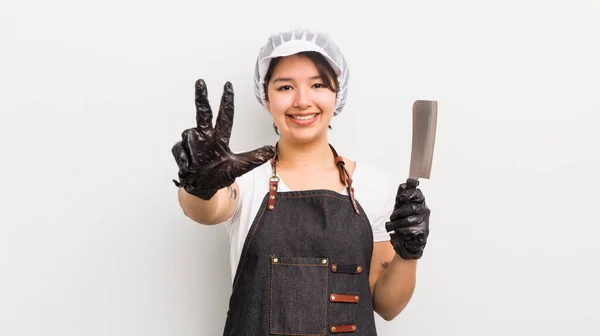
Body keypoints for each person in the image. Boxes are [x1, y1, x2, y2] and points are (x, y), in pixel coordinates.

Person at [171, 28, 431, 335]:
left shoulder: (372, 185)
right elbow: (206, 210)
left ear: (338, 94)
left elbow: (387, 305)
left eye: (318, 84)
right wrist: (200, 185)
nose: (302, 100)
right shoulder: (245, 181)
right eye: (285, 87)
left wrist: (408, 253)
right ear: (266, 99)